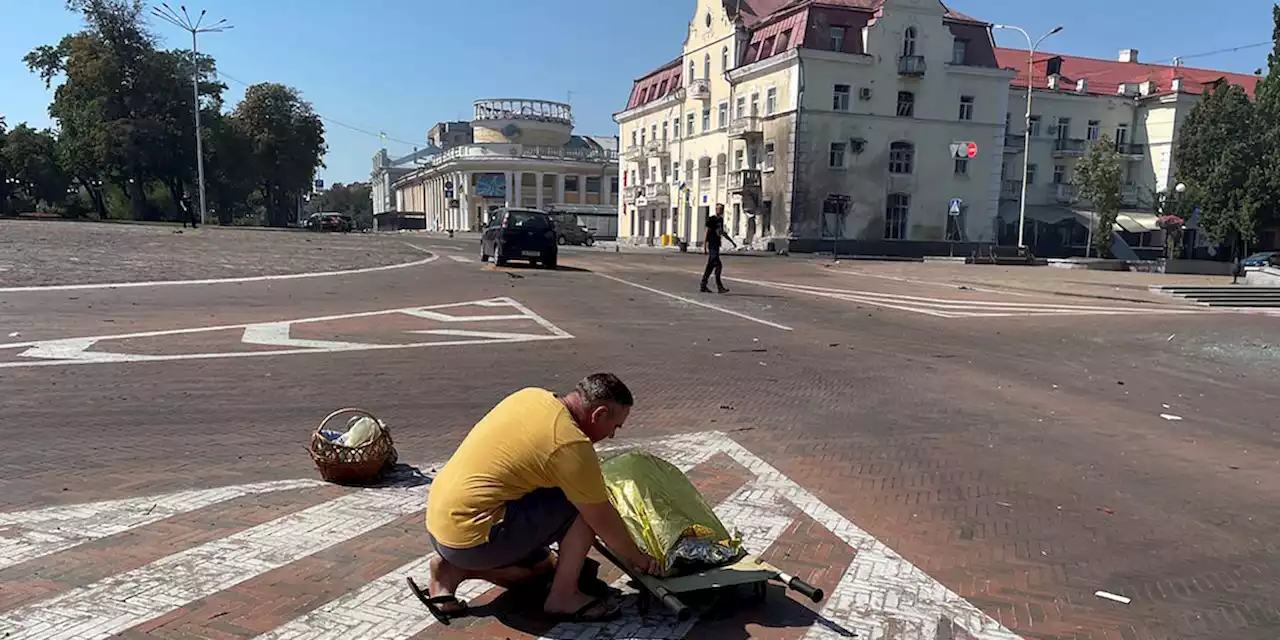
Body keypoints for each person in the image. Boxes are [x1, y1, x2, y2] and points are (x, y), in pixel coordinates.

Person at [422, 374, 661, 624]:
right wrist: (640, 559)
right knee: (583, 509)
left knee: (542, 570)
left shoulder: (531, 396)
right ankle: (563, 597)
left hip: (441, 526)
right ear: (598, 414)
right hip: (474, 538)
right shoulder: (570, 443)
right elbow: (601, 519)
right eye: (615, 427)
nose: (612, 435)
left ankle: (451, 569)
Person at [700, 203, 736, 293]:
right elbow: (706, 232)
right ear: (716, 210)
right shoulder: (711, 219)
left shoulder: (720, 220)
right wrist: (704, 246)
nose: (720, 210)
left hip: (716, 245)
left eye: (721, 209)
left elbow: (722, 232)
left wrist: (731, 241)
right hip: (712, 245)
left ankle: (703, 285)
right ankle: (720, 287)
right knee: (718, 266)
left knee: (710, 266)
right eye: (718, 209)